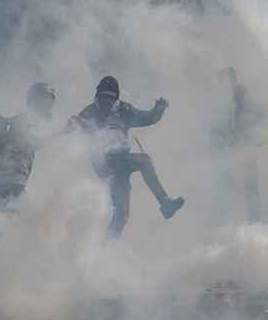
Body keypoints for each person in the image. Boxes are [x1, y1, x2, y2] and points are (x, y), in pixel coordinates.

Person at [67, 76, 184, 239]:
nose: (107, 102)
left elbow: (147, 118)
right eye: (103, 98)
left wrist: (159, 108)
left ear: (116, 98)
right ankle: (164, 202)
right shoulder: (89, 112)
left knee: (122, 215)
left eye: (110, 98)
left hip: (123, 162)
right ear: (97, 96)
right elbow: (74, 130)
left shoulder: (124, 110)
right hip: (104, 162)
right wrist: (74, 125)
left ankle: (106, 247)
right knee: (144, 160)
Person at [0, 82, 57, 266]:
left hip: (9, 182)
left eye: (49, 102)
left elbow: (14, 148)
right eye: (45, 101)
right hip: (12, 183)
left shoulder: (22, 121)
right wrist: (62, 133)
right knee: (34, 225)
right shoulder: (26, 121)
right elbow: (31, 142)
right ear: (35, 101)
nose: (48, 107)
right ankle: (36, 272)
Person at [210, 67, 264, 224]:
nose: (236, 99)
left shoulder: (250, 110)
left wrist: (257, 140)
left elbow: (261, 126)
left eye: (239, 97)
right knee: (228, 185)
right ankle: (221, 220)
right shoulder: (234, 111)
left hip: (246, 153)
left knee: (249, 187)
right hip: (234, 152)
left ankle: (254, 221)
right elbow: (221, 129)